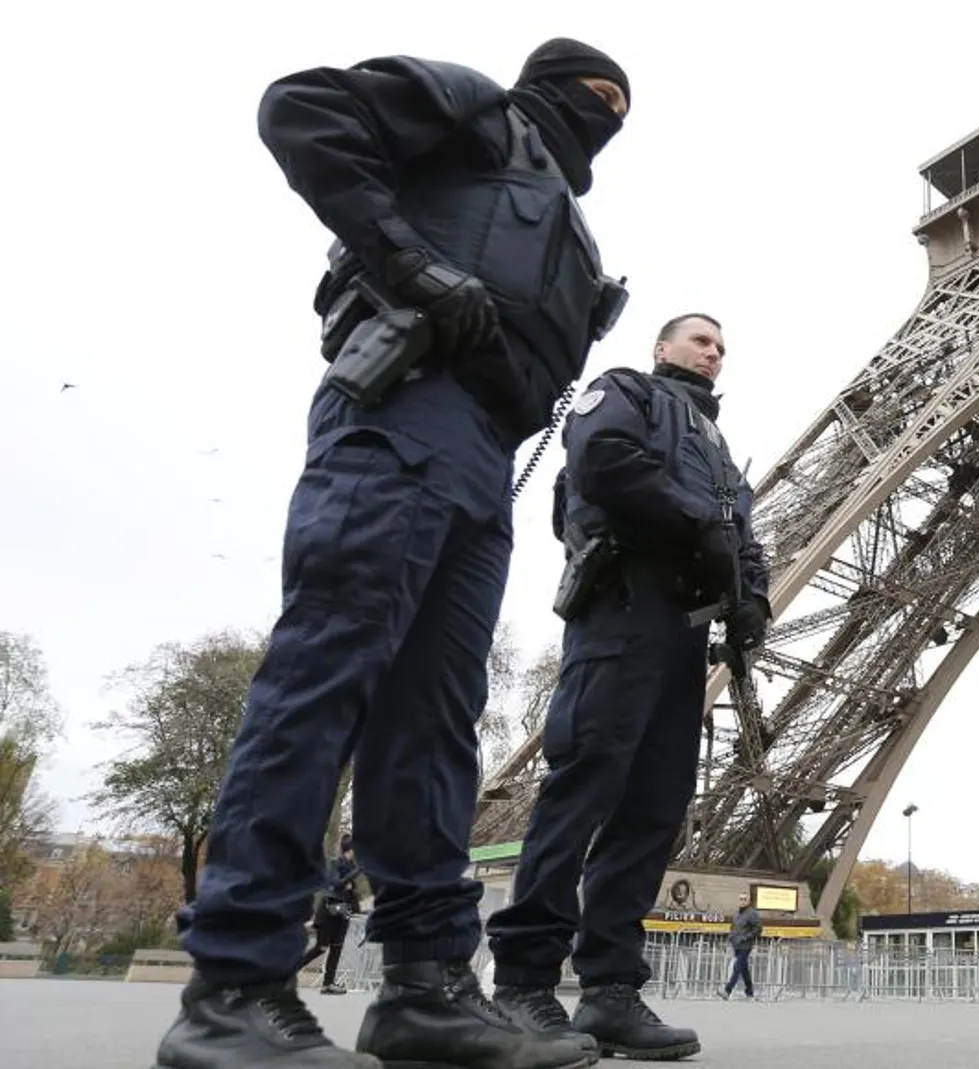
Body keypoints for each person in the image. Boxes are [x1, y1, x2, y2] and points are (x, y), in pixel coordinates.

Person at [152, 37, 633, 1069]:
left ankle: (425, 986)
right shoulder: (476, 113)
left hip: (483, 461)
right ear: (545, 86)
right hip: (407, 409)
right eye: (592, 97)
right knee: (327, 672)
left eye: (620, 106)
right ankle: (235, 986)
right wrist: (406, 261)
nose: (606, 114)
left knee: (434, 724)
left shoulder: (572, 225)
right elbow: (303, 108)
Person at [483, 313, 770, 1061]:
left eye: (721, 347)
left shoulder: (720, 453)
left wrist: (754, 600)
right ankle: (522, 978)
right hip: (623, 610)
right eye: (701, 340)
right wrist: (699, 522)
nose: (713, 353)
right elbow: (604, 461)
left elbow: (746, 534)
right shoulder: (624, 393)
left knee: (651, 809)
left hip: (684, 631)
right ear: (662, 346)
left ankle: (609, 987)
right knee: (582, 787)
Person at [297, 834, 363, 995]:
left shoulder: (351, 865)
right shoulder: (335, 863)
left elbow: (349, 890)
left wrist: (356, 903)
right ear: (351, 849)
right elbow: (336, 884)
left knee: (337, 948)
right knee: (320, 948)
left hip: (343, 912)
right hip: (329, 910)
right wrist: (356, 872)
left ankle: (328, 983)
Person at [723, 895, 763, 1000]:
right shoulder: (736, 914)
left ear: (749, 901)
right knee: (743, 969)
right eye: (741, 899)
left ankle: (727, 991)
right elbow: (732, 928)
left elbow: (758, 929)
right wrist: (730, 938)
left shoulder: (752, 913)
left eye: (745, 899)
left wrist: (746, 937)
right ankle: (749, 991)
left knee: (737, 967)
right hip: (736, 945)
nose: (742, 901)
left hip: (746, 945)